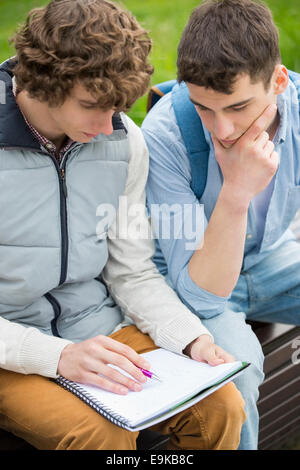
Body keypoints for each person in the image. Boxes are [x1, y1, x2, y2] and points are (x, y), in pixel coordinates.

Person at [0, 0, 246, 451]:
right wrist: (59, 357)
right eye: (92, 105)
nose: (107, 124)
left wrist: (190, 338)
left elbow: (131, 270)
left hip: (99, 328)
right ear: (43, 82)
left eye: (118, 107)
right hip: (11, 351)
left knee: (220, 407)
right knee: (102, 435)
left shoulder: (122, 140)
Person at [142, 0, 300, 450]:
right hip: (192, 280)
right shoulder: (166, 134)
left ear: (279, 81)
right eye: (205, 109)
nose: (224, 129)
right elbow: (199, 295)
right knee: (234, 378)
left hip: (271, 258)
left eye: (238, 106)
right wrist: (235, 193)